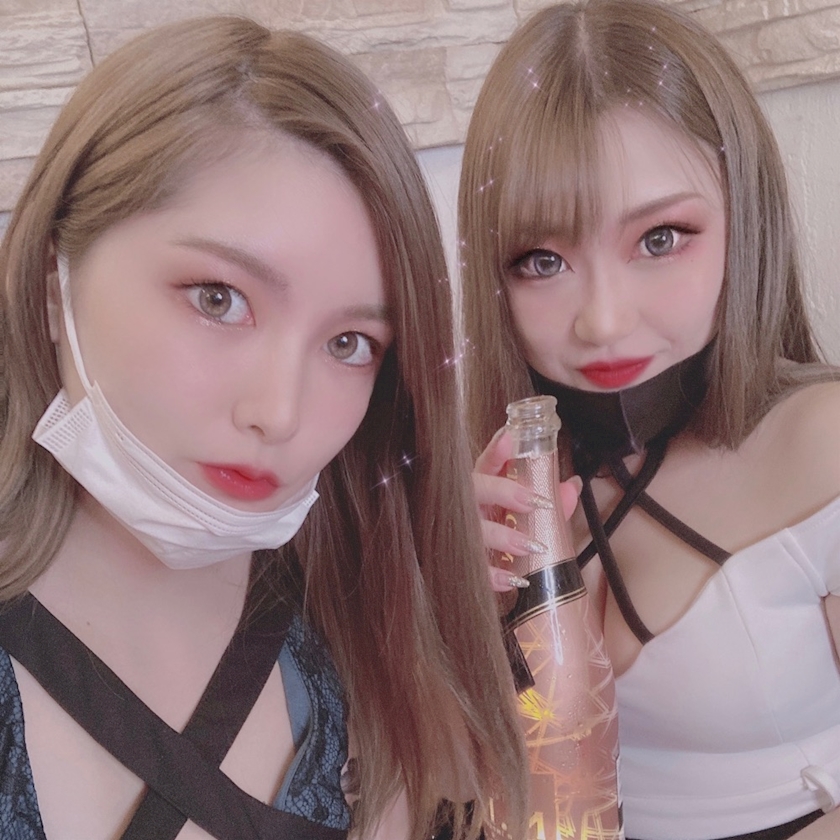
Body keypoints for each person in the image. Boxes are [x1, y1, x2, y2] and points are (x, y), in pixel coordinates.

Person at [0, 16, 529, 840]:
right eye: (218, 299)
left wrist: (442, 597)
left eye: (349, 344)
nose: (280, 413)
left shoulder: (360, 620)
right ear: (50, 285)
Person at [459, 1, 840, 839]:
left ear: (745, 220)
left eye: (661, 238)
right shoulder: (494, 491)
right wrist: (451, 610)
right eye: (542, 260)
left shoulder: (824, 445)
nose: (603, 320)